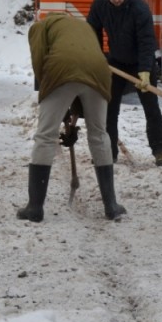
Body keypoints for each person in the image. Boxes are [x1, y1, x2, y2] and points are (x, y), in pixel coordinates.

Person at [18, 13, 126, 222]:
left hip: (61, 69)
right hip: (99, 71)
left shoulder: (40, 27)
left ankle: (35, 208)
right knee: (99, 134)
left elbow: (39, 59)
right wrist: (70, 112)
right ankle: (111, 206)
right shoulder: (84, 28)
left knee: (45, 136)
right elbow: (83, 70)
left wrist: (48, 91)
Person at [86, 0, 162, 166]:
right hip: (116, 62)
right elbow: (92, 30)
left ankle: (160, 151)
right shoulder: (100, 5)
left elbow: (147, 42)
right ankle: (109, 152)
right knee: (109, 108)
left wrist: (144, 72)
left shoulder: (140, 9)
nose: (116, 0)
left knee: (151, 107)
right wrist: (96, 55)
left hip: (141, 63)